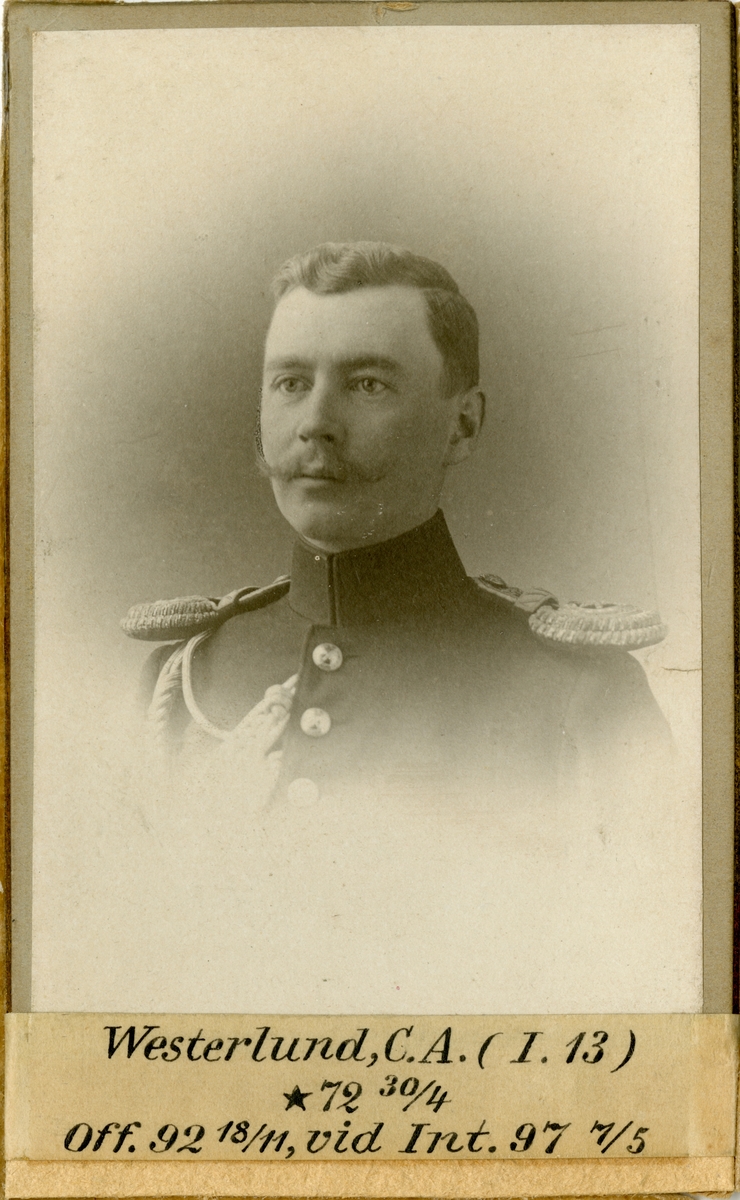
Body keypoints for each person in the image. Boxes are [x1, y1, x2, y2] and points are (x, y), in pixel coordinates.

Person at [118, 242, 693, 1013]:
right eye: (290, 383)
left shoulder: (578, 695)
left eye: (368, 384)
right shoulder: (184, 678)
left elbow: (650, 981)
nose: (316, 424)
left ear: (462, 425)